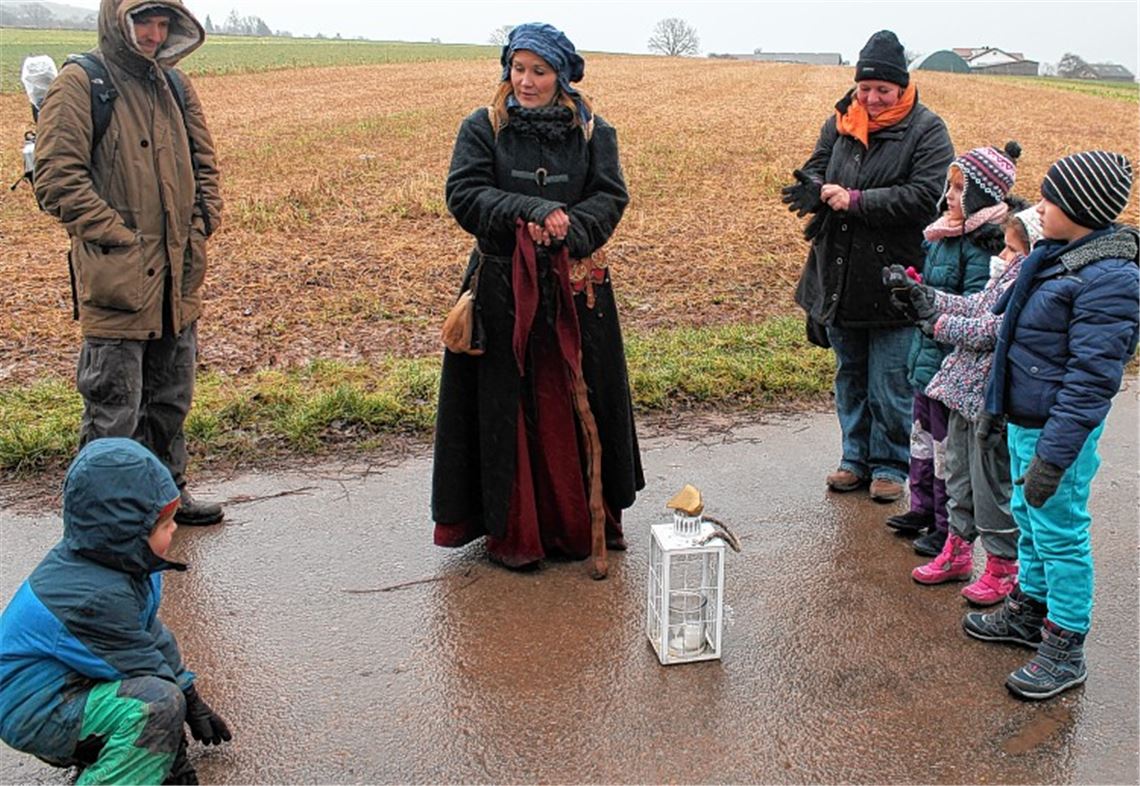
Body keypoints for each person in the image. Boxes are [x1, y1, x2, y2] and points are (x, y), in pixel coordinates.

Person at [431, 23, 644, 571]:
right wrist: (527, 210)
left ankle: (581, 523)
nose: (525, 81)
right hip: (502, 289)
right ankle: (516, 532)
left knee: (581, 400)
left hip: (579, 289)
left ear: (561, 76)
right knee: (509, 404)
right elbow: (464, 193)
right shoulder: (483, 127)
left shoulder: (594, 132)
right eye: (518, 69)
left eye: (539, 71)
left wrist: (569, 227)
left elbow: (610, 196)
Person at [33, 0, 224, 526]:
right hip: (117, 279)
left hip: (177, 278)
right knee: (113, 407)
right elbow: (55, 178)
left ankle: (166, 498)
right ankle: (104, 521)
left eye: (164, 24)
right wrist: (120, 238)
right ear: (120, 19)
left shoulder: (175, 86)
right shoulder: (82, 82)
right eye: (144, 21)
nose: (154, 34)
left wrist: (203, 222)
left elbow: (204, 163)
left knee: (169, 400)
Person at [963, 151, 1138, 700]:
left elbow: (1091, 381)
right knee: (1031, 522)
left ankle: (1066, 645)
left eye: (1049, 199)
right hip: (1026, 420)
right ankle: (1028, 611)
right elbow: (1010, 331)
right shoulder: (1056, 255)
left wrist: (1055, 457)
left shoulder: (1110, 278)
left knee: (1060, 533)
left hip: (1058, 432)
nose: (1038, 207)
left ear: (1080, 207)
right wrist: (996, 409)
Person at [0, 438, 232, 784]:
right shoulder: (94, 597)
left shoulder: (119, 562)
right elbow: (141, 664)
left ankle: (108, 747)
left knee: (160, 698)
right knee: (157, 705)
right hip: (32, 711)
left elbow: (147, 634)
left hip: (62, 685)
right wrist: (174, 752)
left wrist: (191, 694)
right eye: (165, 524)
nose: (174, 530)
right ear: (128, 531)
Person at [786, 29, 954, 503]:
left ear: (902, 87)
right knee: (850, 376)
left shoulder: (927, 130)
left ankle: (888, 464)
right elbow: (817, 163)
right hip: (838, 272)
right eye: (866, 88)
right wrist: (815, 185)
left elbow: (927, 196)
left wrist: (856, 200)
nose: (873, 98)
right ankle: (853, 459)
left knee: (890, 381)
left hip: (894, 279)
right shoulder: (842, 120)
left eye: (884, 90)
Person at [888, 201, 1041, 606]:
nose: (1003, 257)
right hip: (960, 391)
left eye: (1011, 250)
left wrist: (934, 322)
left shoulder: (1031, 281)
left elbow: (993, 328)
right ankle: (956, 550)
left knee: (990, 487)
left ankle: (1001, 566)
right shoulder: (1009, 274)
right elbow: (976, 305)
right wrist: (926, 296)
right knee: (957, 474)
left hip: (991, 402)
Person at [885, 144, 1021, 559]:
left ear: (982, 195)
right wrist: (914, 288)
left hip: (949, 363)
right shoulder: (943, 233)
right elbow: (937, 287)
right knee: (923, 440)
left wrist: (930, 306)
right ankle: (923, 509)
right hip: (926, 356)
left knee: (949, 452)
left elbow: (976, 306)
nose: (949, 196)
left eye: (960, 190)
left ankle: (948, 530)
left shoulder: (982, 245)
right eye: (950, 187)